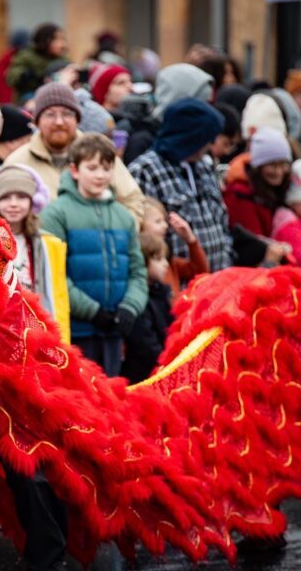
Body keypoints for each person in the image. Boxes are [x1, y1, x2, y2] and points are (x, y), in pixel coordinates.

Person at [42, 133, 148, 376]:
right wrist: (91, 310)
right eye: (92, 168)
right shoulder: (57, 213)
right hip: (75, 329)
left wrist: (130, 307)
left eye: (106, 168)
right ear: (74, 170)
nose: (100, 175)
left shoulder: (123, 216)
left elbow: (138, 271)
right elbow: (54, 273)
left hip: (115, 330)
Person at [3, 83, 145, 224]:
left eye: (67, 114)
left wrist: (117, 235)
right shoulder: (18, 163)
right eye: (50, 114)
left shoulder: (100, 153)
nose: (59, 122)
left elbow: (133, 200)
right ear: (37, 122)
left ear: (77, 119)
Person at [128, 98, 232, 272]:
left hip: (217, 281)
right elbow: (142, 235)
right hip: (177, 284)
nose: (211, 144)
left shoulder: (205, 166)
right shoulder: (144, 170)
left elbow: (222, 221)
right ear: (192, 136)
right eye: (207, 137)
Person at [0, 163, 69, 338]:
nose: (14, 204)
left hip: (35, 327)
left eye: (21, 197)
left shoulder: (48, 245)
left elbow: (57, 296)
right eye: (6, 197)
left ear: (33, 201)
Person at [223, 128, 295, 267]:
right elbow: (252, 248)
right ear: (258, 167)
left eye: (283, 164)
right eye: (273, 165)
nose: (279, 171)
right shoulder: (240, 197)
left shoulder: (272, 192)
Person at [121, 233, 174, 384]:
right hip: (143, 375)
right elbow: (144, 342)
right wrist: (165, 361)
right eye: (158, 259)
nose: (166, 264)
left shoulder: (161, 293)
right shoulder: (136, 300)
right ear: (142, 262)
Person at [141, 198, 208, 294]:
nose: (165, 226)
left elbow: (199, 271)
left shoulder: (169, 260)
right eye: (158, 221)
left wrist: (191, 240)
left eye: (164, 221)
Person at [7, 22, 68, 102]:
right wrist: (24, 75)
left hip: (56, 96)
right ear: (47, 40)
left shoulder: (63, 59)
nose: (63, 44)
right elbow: (11, 78)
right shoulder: (26, 56)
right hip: (30, 96)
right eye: (58, 39)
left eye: (63, 39)